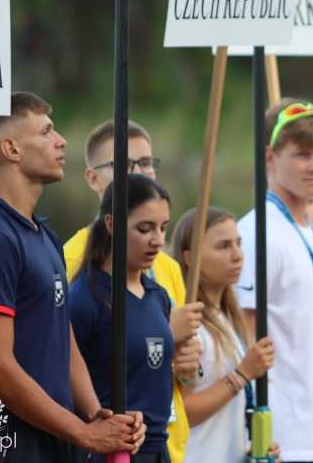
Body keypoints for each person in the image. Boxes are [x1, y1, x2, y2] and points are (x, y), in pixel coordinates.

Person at [0, 92, 144, 462]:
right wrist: (84, 433)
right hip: (11, 447)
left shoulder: (44, 235)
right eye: (46, 131)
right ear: (11, 149)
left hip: (58, 441)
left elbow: (65, 342)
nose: (61, 141)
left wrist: (96, 415)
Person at [62, 119, 202, 463]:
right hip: (109, 451)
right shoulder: (79, 283)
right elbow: (60, 373)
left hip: (164, 447)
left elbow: (173, 372)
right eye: (144, 228)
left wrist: (189, 366)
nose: (157, 239)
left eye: (146, 163)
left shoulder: (161, 283)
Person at [236, 98, 313, 463]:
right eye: (302, 155)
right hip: (279, 436)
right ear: (270, 158)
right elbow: (243, 336)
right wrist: (257, 432)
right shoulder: (254, 233)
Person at [171, 206, 280, 463]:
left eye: (238, 244)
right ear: (190, 258)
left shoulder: (228, 317)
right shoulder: (188, 325)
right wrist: (241, 375)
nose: (238, 255)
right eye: (223, 246)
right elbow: (181, 410)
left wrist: (253, 447)